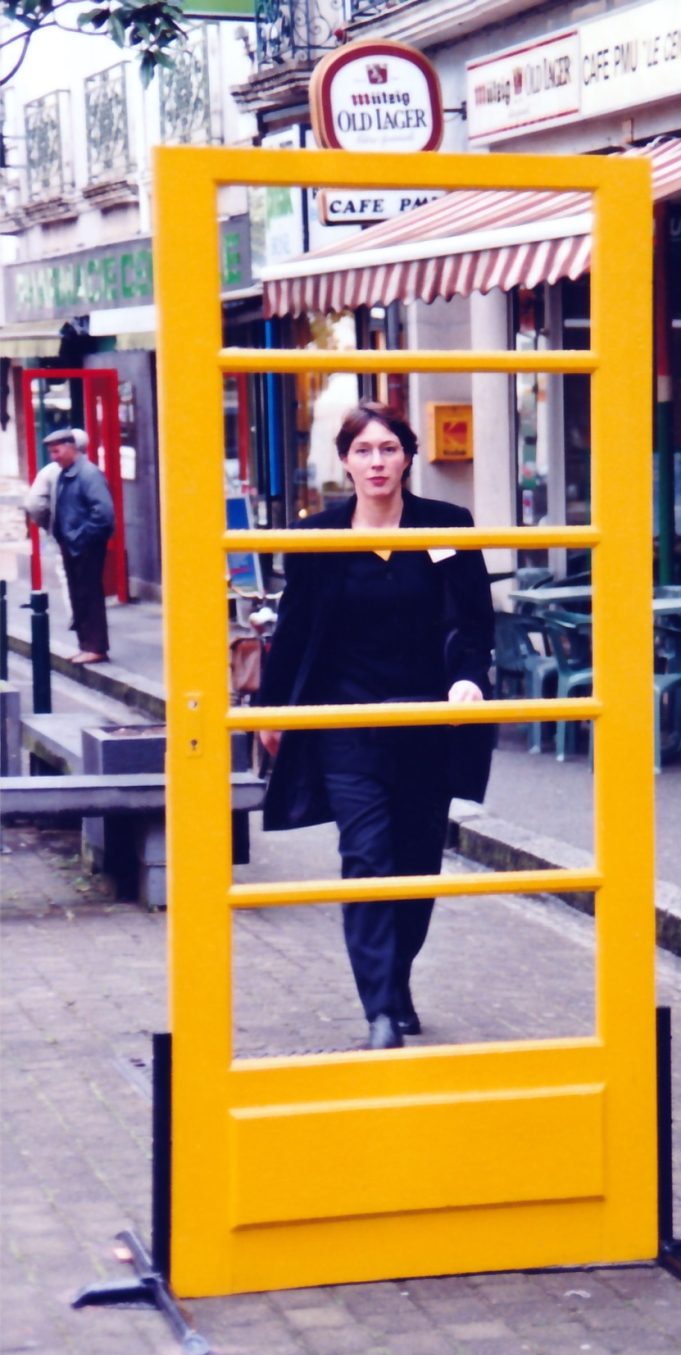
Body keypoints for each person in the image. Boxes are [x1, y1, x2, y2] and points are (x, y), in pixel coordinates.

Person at [257, 401, 495, 1050]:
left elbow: (474, 622)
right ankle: (380, 1011)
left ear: (409, 457)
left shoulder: (447, 526)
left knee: (417, 866)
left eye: (389, 449)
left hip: (428, 720)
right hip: (348, 722)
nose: (377, 462)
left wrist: (469, 676)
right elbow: (295, 631)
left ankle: (397, 977)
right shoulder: (319, 535)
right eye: (363, 451)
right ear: (344, 462)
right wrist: (270, 711)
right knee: (366, 859)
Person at [43, 427, 115, 664]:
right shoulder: (67, 472)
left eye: (57, 451)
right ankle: (86, 644)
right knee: (78, 595)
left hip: (85, 545)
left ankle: (96, 646)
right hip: (73, 544)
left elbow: (103, 513)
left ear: (71, 448)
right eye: (51, 453)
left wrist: (79, 537)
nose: (54, 457)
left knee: (89, 594)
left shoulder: (88, 474)